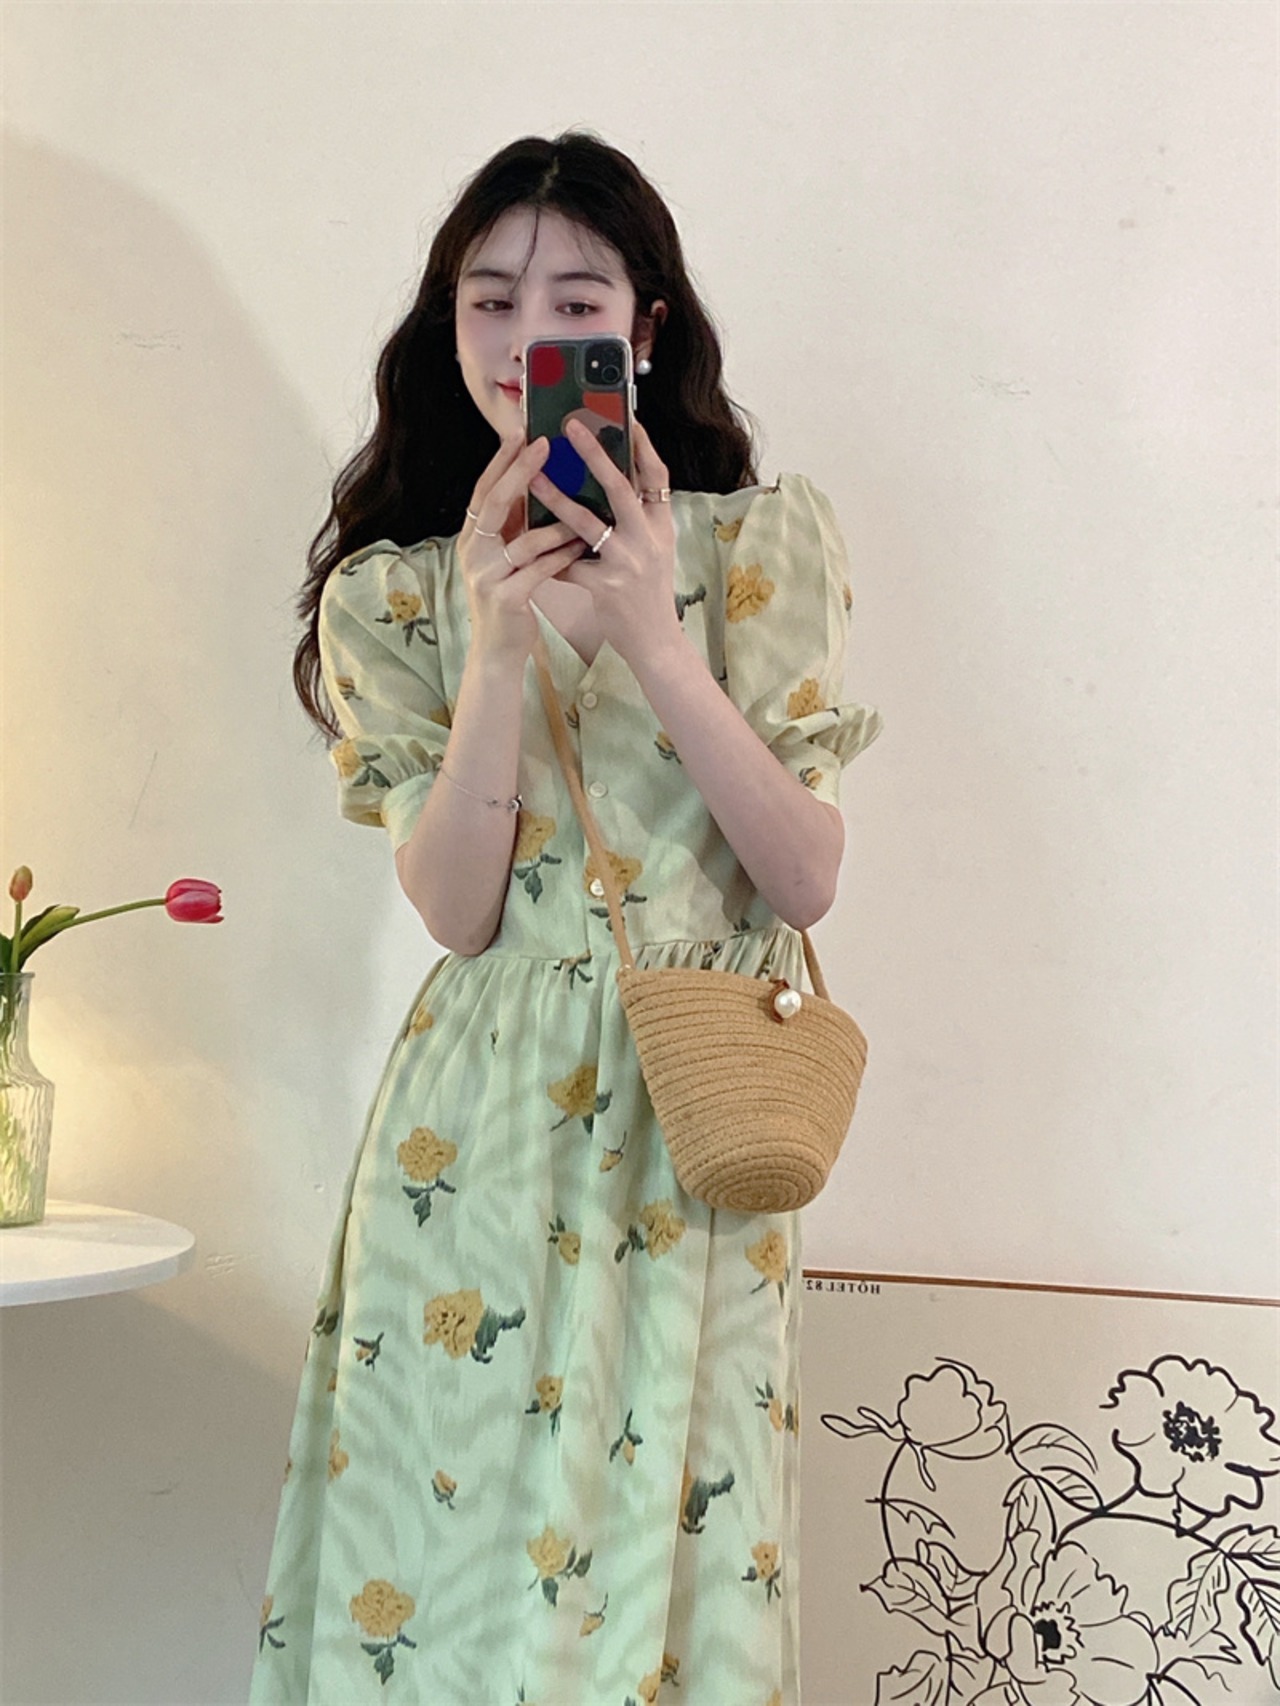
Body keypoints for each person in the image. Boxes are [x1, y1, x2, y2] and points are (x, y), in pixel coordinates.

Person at [250, 129, 882, 1705]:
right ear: (449, 327)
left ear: (643, 330)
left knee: (669, 1563)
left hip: (694, 1116)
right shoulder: (398, 594)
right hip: (477, 1127)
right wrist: (494, 645)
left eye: (576, 302)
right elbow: (458, 912)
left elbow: (804, 875)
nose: (529, 335)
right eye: (491, 300)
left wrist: (655, 636)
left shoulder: (760, 550)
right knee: (445, 1549)